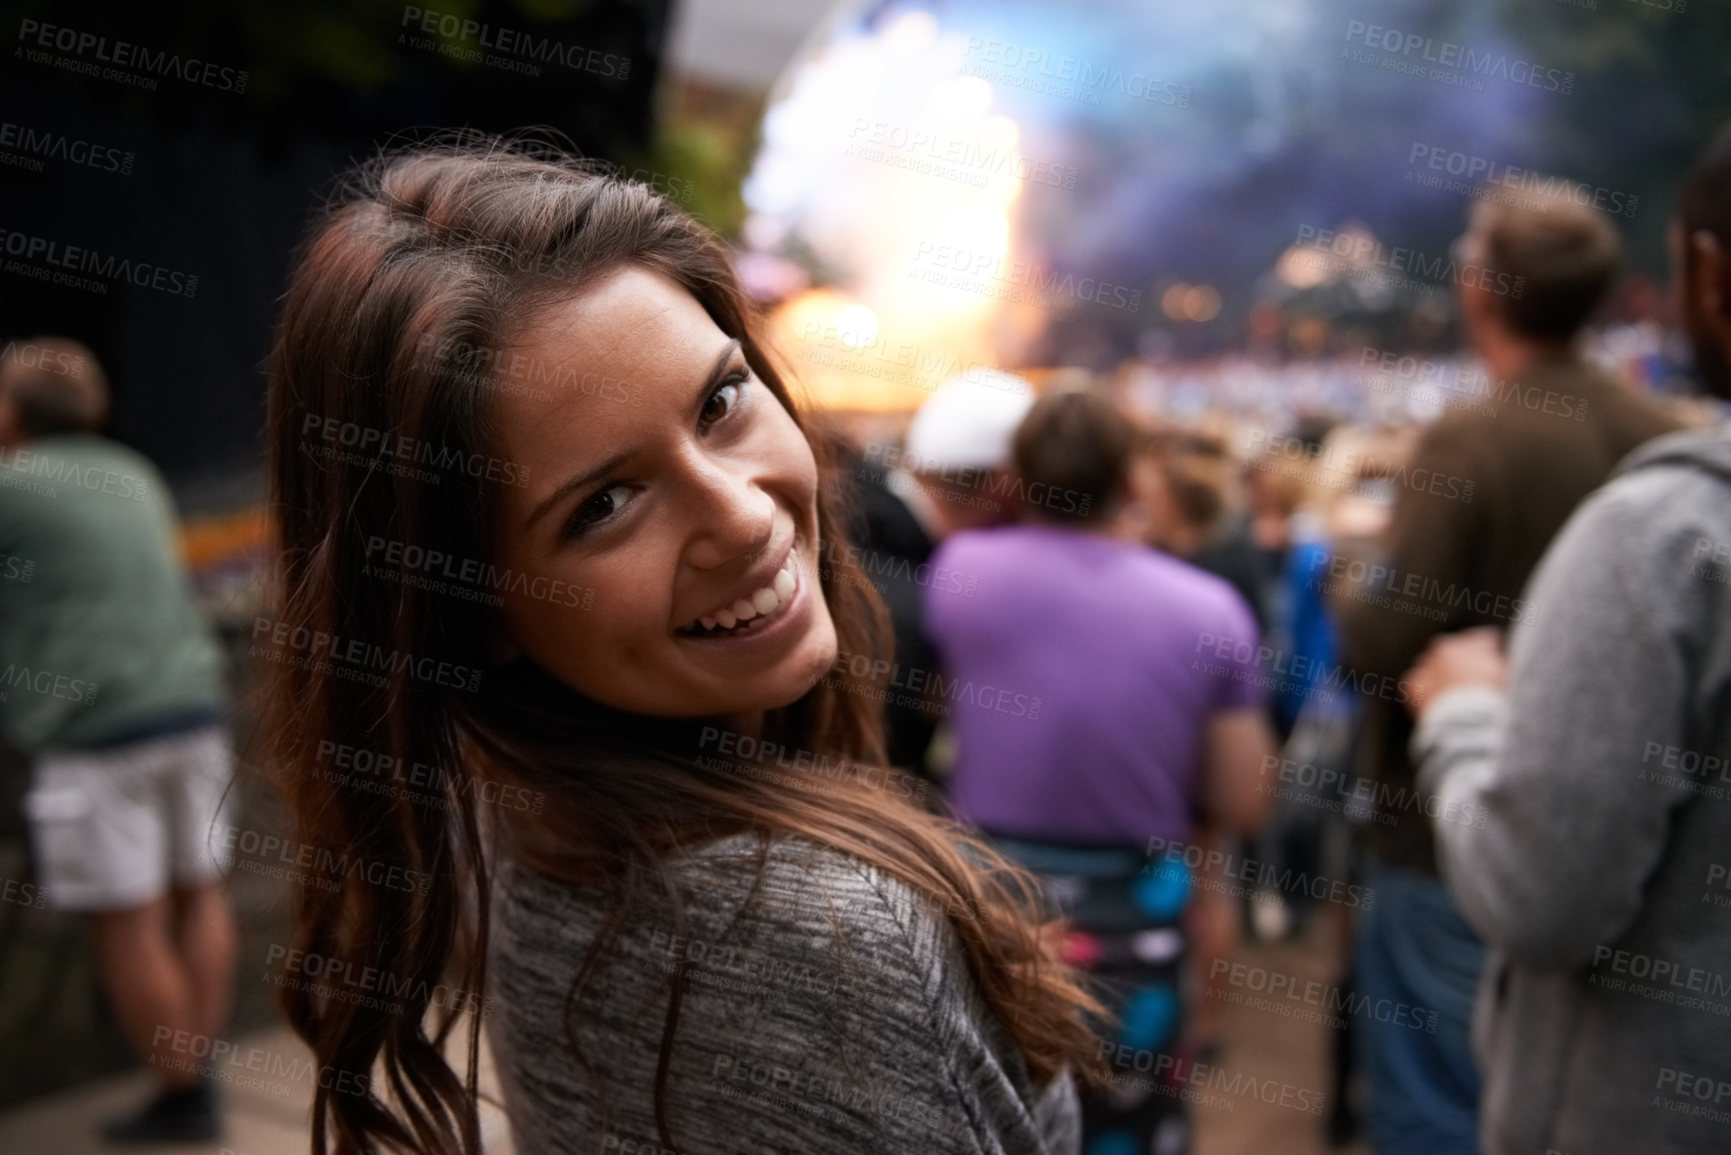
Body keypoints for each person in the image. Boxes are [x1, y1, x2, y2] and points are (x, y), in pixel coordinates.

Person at [260, 141, 1103, 1155]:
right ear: (469, 605)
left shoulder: (519, 820)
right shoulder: (825, 946)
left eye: (719, 403)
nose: (744, 521)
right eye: (606, 503)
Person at [1329, 182, 1686, 1154]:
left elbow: (1380, 646)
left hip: (1454, 834)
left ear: (1481, 292)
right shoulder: (1670, 443)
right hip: (1630, 850)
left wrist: (1349, 568)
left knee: (1436, 1111)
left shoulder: (1473, 440)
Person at [1402, 124, 1731, 1155]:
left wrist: (1461, 708)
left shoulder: (1666, 532)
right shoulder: (1653, 435)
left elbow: (1543, 899)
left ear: (1709, 276)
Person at [921, 386, 1275, 1154]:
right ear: (1130, 481)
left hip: (989, 907)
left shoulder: (960, 572)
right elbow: (1242, 800)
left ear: (1016, 478)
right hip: (1134, 915)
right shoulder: (1207, 608)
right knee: (1124, 1123)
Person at [0, 338, 238, 1144]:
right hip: (193, 706)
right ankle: (193, 1077)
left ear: (11, 411)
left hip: (99, 730)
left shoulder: (12, 486)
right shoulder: (131, 472)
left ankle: (182, 1090)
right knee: (197, 890)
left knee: (128, 918)